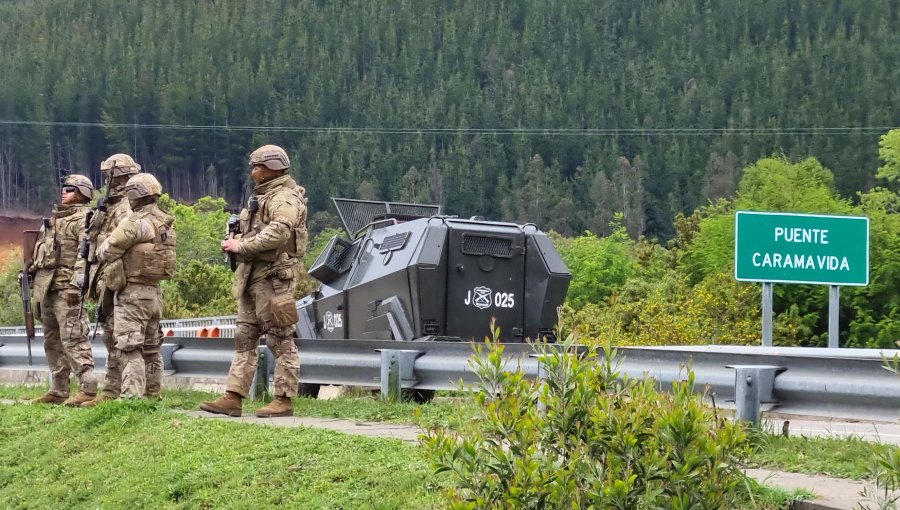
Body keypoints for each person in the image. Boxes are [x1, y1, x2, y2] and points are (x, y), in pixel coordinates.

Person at [200, 144, 308, 418]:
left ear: (272, 168)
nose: (253, 171)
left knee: (280, 339)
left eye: (258, 166)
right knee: (244, 337)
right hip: (252, 278)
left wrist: (242, 246)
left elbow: (280, 232)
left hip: (274, 280)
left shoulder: (284, 197)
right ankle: (233, 397)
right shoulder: (262, 197)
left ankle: (283, 400)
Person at [95, 173, 175, 398]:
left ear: (133, 195)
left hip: (132, 294)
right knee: (151, 349)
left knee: (130, 349)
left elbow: (107, 251)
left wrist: (104, 242)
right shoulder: (165, 222)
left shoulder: (135, 221)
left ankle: (131, 398)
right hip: (154, 293)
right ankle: (152, 396)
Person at [29, 175, 99, 405]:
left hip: (66, 290)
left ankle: (88, 389)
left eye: (70, 189)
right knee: (52, 341)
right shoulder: (53, 221)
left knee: (74, 339)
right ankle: (59, 389)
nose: (64, 192)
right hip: (47, 288)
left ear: (82, 193)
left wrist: (75, 285)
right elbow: (42, 255)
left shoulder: (84, 219)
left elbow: (85, 255)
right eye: (64, 188)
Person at [78, 154, 139, 406]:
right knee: (110, 334)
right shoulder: (107, 207)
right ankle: (112, 390)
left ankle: (118, 391)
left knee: (120, 336)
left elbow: (120, 244)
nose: (107, 181)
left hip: (119, 279)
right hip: (104, 278)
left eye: (110, 176)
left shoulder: (126, 207)